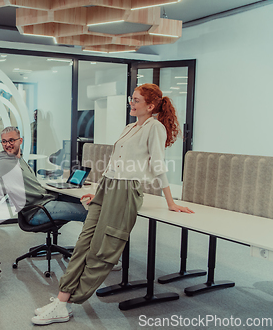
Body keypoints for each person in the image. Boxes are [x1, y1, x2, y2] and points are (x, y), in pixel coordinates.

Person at [31, 83, 194, 325]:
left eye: (136, 100)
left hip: (126, 190)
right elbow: (113, 164)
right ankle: (61, 299)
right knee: (83, 242)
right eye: (132, 98)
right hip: (108, 186)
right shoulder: (129, 127)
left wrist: (170, 201)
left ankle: (68, 301)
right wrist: (97, 192)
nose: (132, 102)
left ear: (150, 106)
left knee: (102, 249)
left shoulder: (154, 128)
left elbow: (158, 166)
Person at [0, 126, 87, 225]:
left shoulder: (19, 159)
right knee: (88, 214)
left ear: (20, 141)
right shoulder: (4, 164)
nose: (7, 144)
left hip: (44, 202)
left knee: (88, 204)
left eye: (11, 140)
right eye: (4, 141)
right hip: (37, 211)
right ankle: (86, 246)